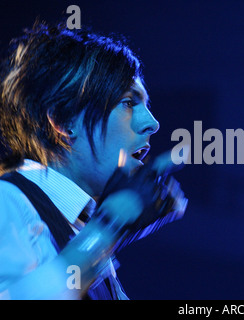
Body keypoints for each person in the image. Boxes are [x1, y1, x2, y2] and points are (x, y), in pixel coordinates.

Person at [0, 21, 187, 299]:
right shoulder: (8, 201)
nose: (152, 123)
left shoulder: (81, 234)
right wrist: (111, 227)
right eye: (128, 102)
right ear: (63, 120)